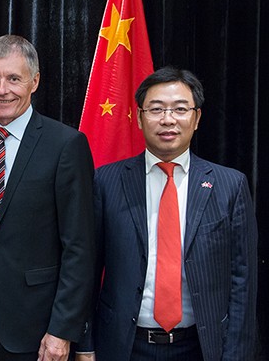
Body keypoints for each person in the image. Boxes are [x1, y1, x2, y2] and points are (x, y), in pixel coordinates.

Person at [75, 66, 258, 361]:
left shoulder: (230, 185)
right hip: (124, 346)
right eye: (156, 109)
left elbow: (242, 280)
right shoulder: (106, 181)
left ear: (197, 118)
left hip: (202, 347)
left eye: (180, 109)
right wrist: (85, 345)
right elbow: (87, 269)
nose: (168, 119)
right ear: (138, 117)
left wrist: (236, 354)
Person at [0, 34, 96, 361]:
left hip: (37, 324)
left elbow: (80, 246)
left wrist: (62, 328)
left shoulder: (65, 145)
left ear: (34, 82)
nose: (2, 89)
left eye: (13, 79)